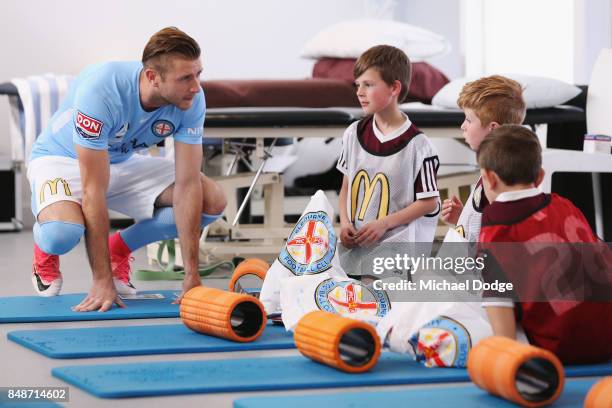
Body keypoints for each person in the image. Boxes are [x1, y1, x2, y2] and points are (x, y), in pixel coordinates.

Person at [27, 27, 226, 312]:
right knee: (62, 233)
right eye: (185, 78)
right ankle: (45, 247)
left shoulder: (191, 98)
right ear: (152, 78)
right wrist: (101, 280)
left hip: (122, 160)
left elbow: (188, 185)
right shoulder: (102, 90)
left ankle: (118, 248)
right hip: (62, 160)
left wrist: (191, 276)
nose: (196, 86)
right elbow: (93, 189)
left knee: (211, 198)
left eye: (198, 74)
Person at [477, 125, 612, 364]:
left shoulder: (495, 228)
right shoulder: (565, 204)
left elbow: (499, 307)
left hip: (559, 349)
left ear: (488, 178)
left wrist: (503, 358)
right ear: (540, 176)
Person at [336, 45, 440, 252]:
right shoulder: (352, 134)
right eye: (357, 85)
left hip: (397, 248)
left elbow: (429, 202)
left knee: (371, 285)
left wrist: (384, 223)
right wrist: (345, 222)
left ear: (394, 88)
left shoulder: (419, 145)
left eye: (368, 84)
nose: (359, 92)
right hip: (357, 244)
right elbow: (346, 186)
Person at [441, 76, 525, 242]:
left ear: (493, 128)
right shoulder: (494, 165)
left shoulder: (499, 176)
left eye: (468, 120)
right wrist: (462, 218)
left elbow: (497, 240)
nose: (462, 126)